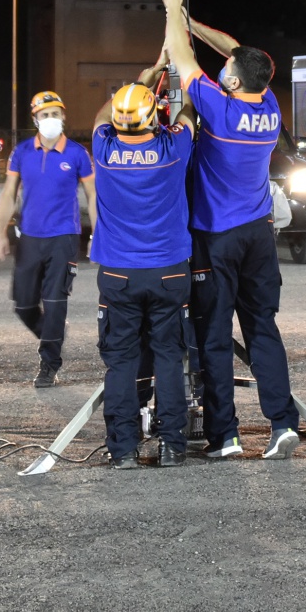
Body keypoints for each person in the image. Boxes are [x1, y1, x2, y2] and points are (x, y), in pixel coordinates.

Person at [162, 0, 300, 460]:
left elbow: (182, 61)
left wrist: (171, 8)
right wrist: (193, 24)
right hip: (259, 238)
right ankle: (283, 424)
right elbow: (239, 51)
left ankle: (226, 437)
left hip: (217, 239)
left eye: (227, 70)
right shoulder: (269, 106)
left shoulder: (218, 111)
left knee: (215, 336)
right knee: (263, 327)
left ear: (235, 81)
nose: (222, 69)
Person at [90, 56, 196, 469]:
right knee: (169, 355)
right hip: (169, 270)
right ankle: (172, 446)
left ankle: (123, 449)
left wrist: (141, 80)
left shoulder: (103, 148)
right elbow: (188, 113)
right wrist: (179, 79)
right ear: (155, 118)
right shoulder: (172, 149)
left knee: (122, 360)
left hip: (118, 273)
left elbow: (102, 114)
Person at [0, 90, 97, 388]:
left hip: (64, 238)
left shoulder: (77, 153)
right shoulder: (22, 152)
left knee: (54, 301)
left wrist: (96, 235)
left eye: (55, 114)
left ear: (63, 117)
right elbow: (9, 194)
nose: (50, 119)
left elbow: (92, 194)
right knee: (24, 305)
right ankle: (52, 332)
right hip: (29, 238)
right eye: (44, 115)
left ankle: (49, 363)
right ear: (35, 119)